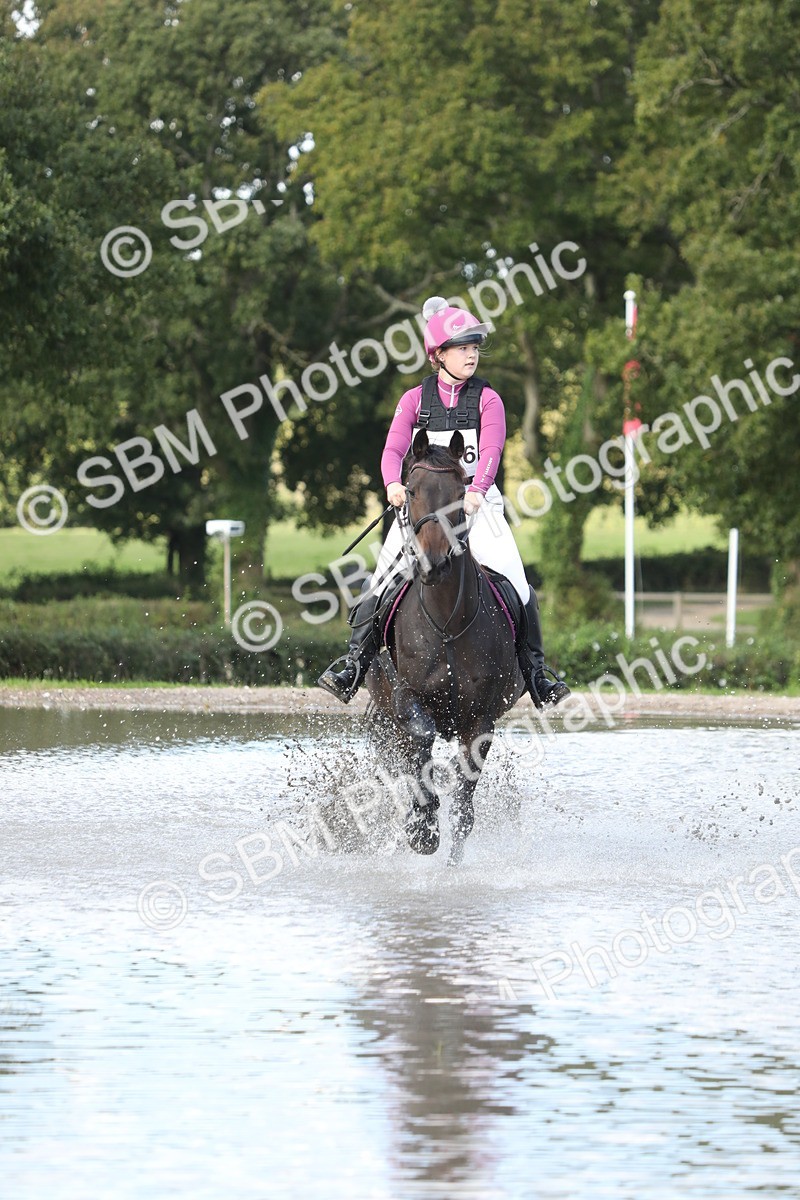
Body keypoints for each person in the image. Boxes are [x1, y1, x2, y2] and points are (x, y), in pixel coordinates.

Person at [318, 296, 570, 710]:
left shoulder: (489, 399)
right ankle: (354, 665)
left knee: (519, 584)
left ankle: (536, 673)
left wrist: (477, 489)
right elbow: (393, 450)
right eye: (462, 347)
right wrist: (391, 483)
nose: (472, 354)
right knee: (378, 581)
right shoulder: (414, 400)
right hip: (420, 511)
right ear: (438, 355)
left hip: (477, 506)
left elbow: (492, 449)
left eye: (475, 347)